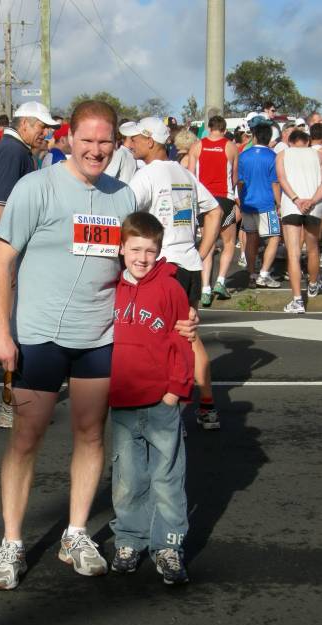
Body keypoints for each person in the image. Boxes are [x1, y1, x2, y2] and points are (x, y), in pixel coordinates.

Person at [0, 101, 197, 590]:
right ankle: (12, 542)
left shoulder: (122, 197)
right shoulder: (36, 187)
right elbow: (1, 262)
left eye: (105, 142)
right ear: (67, 139)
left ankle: (75, 533)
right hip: (38, 335)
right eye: (87, 140)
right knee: (26, 438)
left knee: (91, 435)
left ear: (116, 144)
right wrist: (0, 329)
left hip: (100, 338)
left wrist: (181, 309)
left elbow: (143, 261)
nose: (96, 150)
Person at [120, 116, 222, 431]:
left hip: (164, 267)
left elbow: (123, 212)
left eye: (135, 138)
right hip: (189, 263)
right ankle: (207, 405)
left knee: (163, 340)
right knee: (189, 338)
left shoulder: (147, 174)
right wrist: (202, 251)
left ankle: (168, 410)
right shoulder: (184, 172)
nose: (130, 143)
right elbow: (216, 209)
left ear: (151, 140)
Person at [109, 211, 194, 584]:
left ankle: (169, 546)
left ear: (159, 251)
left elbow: (182, 342)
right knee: (127, 479)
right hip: (122, 400)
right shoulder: (108, 287)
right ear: (122, 248)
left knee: (167, 478)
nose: (142, 258)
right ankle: (129, 539)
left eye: (150, 250)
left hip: (162, 402)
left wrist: (176, 390)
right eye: (136, 249)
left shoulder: (170, 288)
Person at [0, 101, 58, 428]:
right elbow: (2, 207)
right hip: (7, 253)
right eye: (41, 126)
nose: (45, 133)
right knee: (9, 327)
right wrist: (21, 249)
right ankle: (8, 404)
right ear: (24, 124)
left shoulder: (5, 149)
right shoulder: (14, 152)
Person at [188, 115, 238, 305]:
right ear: (224, 130)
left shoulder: (197, 146)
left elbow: (191, 175)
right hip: (224, 198)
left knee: (207, 244)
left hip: (203, 200)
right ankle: (221, 281)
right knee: (229, 242)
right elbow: (234, 176)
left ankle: (205, 288)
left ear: (209, 129)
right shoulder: (231, 146)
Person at [276, 129, 322, 313]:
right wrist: (311, 200)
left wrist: (296, 199)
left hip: (292, 206)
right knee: (313, 248)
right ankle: (312, 285)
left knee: (293, 253)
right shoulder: (317, 154)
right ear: (308, 141)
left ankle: (297, 300)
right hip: (314, 206)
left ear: (290, 141)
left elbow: (282, 179)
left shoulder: (282, 154)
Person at [238, 122, 282, 289]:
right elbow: (275, 184)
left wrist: (241, 201)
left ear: (255, 136)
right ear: (270, 138)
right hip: (266, 203)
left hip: (248, 203)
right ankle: (263, 274)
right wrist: (279, 204)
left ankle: (251, 274)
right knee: (274, 237)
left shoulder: (244, 155)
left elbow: (240, 182)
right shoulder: (273, 157)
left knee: (251, 239)